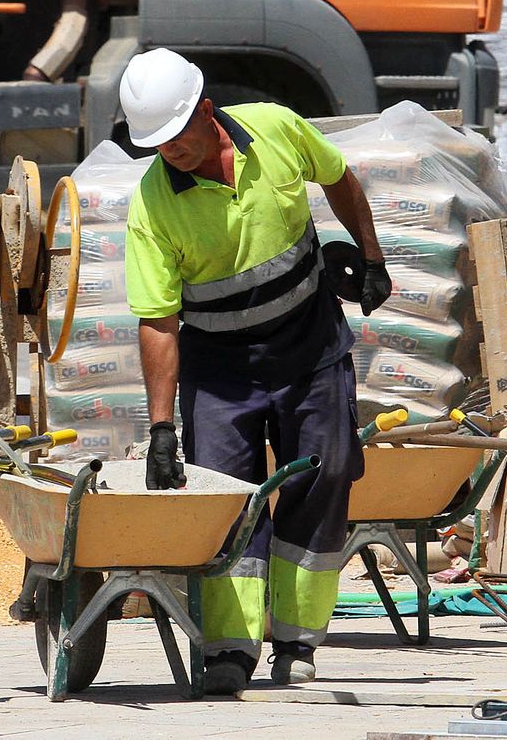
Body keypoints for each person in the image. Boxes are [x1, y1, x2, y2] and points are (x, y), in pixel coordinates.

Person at [119, 48, 391, 695]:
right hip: (220, 370)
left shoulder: (275, 126)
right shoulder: (153, 207)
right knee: (227, 503)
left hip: (310, 346)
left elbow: (340, 178)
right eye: (153, 145)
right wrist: (162, 429)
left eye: (176, 138)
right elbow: (157, 322)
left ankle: (297, 643)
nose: (169, 154)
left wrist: (373, 257)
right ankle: (230, 651)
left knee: (322, 482)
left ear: (206, 112)